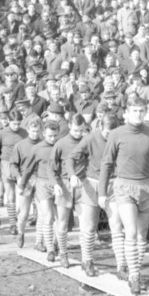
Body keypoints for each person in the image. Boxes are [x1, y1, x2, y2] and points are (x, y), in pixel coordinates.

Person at [99, 95, 149, 295]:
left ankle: (136, 271)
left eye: (141, 111)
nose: (138, 114)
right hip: (124, 187)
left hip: (146, 188)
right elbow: (107, 163)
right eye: (134, 111)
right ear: (126, 113)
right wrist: (102, 192)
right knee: (131, 232)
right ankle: (133, 276)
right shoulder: (117, 134)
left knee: (142, 235)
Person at [69, 113, 120, 277]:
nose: (109, 136)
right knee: (89, 226)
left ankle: (122, 265)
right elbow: (71, 157)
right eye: (107, 133)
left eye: (113, 133)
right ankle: (87, 260)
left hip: (113, 184)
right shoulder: (91, 138)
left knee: (117, 225)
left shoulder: (119, 138)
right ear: (100, 127)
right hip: (92, 183)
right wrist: (72, 174)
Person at [18, 121, 61, 262]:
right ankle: (50, 250)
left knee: (59, 219)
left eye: (55, 135)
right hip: (43, 184)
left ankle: (57, 244)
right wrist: (22, 183)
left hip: (59, 184)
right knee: (47, 217)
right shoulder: (37, 148)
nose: (52, 138)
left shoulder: (60, 146)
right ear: (44, 134)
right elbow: (29, 168)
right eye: (49, 136)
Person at [50, 114, 87, 268]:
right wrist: (56, 184)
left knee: (86, 224)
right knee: (62, 223)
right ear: (70, 127)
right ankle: (63, 253)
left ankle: (87, 258)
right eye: (76, 130)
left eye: (81, 131)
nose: (78, 134)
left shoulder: (87, 141)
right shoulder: (61, 143)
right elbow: (51, 168)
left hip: (83, 184)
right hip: (65, 185)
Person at [0, 109, 28, 234]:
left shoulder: (25, 133)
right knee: (7, 195)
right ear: (9, 121)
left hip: (20, 165)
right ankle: (12, 223)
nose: (16, 126)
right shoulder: (2, 133)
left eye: (19, 123)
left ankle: (16, 219)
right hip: (5, 165)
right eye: (14, 124)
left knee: (19, 194)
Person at [10, 117, 43, 249]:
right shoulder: (20, 145)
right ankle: (21, 233)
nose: (35, 134)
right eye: (32, 131)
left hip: (40, 180)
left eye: (37, 131)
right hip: (25, 180)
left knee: (42, 213)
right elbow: (13, 164)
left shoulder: (43, 144)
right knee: (23, 213)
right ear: (28, 130)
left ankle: (39, 241)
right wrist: (18, 177)